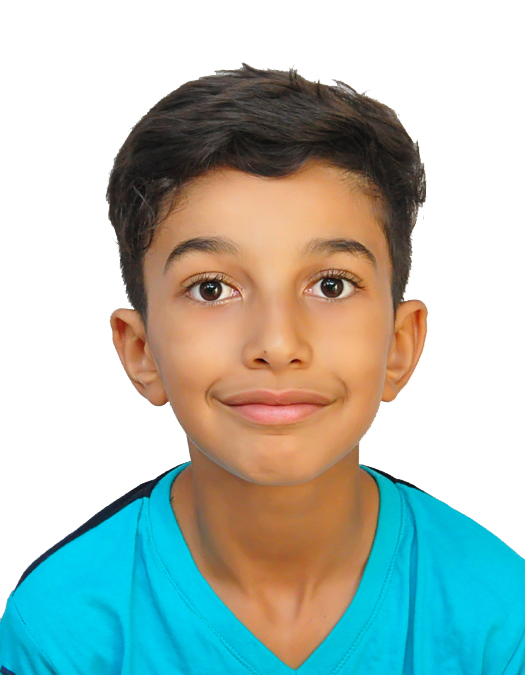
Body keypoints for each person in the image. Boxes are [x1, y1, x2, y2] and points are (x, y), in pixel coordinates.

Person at [1, 63, 524, 674]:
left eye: (331, 285)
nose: (277, 344)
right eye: (211, 289)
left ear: (399, 345)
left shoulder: (499, 620)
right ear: (141, 350)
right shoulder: (62, 629)